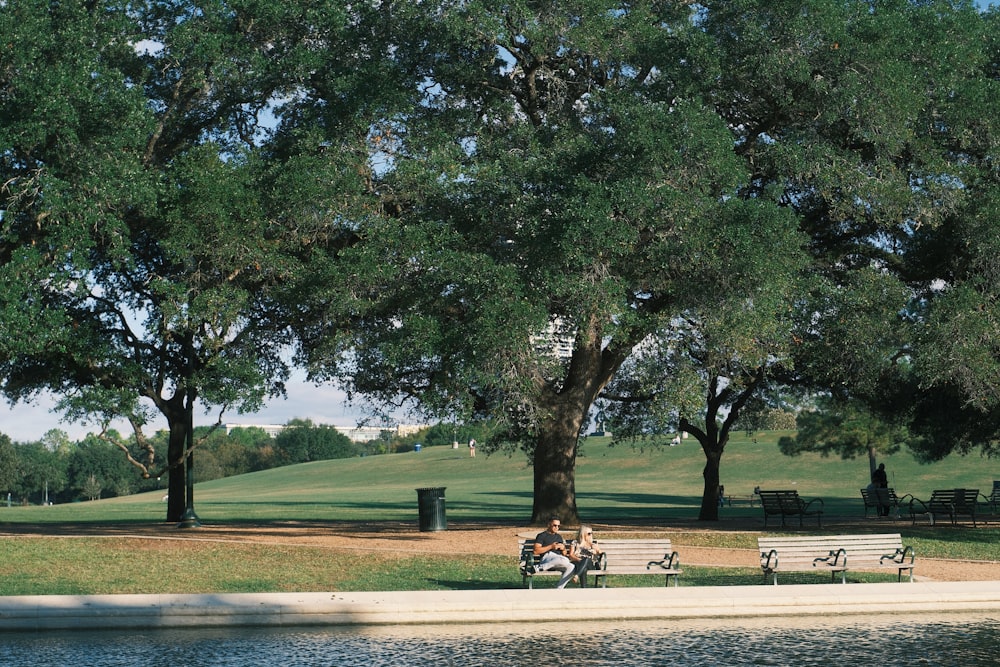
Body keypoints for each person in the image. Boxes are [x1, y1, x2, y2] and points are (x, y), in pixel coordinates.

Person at [533, 516, 576, 589]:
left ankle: (559, 589)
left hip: (558, 560)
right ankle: (541, 567)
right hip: (547, 557)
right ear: (549, 525)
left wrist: (563, 549)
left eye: (559, 526)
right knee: (564, 560)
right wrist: (551, 547)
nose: (557, 527)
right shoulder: (542, 536)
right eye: (555, 525)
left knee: (571, 566)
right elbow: (536, 551)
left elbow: (564, 554)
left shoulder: (559, 537)